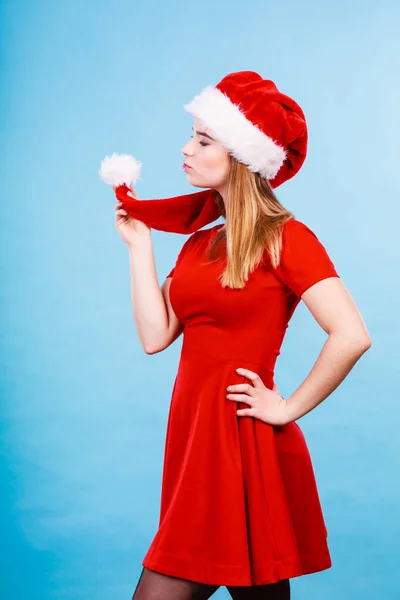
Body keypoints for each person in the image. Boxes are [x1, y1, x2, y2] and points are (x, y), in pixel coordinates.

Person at [103, 71, 372, 599]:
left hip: (244, 443)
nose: (186, 148)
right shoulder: (197, 245)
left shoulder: (287, 239)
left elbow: (351, 334)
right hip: (193, 441)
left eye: (203, 139)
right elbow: (155, 336)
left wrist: (287, 407)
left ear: (243, 157)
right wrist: (139, 248)